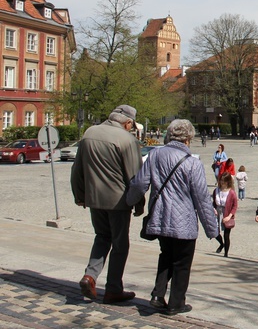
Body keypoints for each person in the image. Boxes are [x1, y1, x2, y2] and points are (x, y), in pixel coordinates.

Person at [126, 119, 218, 316]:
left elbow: (140, 183)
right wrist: (212, 229)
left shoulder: (155, 155)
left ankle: (158, 295)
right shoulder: (193, 163)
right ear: (188, 139)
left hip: (160, 218)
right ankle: (176, 303)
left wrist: (130, 201)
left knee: (166, 256)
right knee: (182, 263)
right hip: (183, 222)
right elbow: (201, 199)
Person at [70, 104, 143, 304]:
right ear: (128, 122)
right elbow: (136, 177)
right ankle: (113, 289)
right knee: (120, 245)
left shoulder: (89, 133)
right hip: (118, 201)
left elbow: (77, 169)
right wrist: (139, 203)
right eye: (131, 125)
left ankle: (90, 276)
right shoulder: (128, 140)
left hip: (94, 199)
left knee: (102, 237)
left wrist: (80, 195)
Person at [212, 172, 238, 257]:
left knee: (226, 234)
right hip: (217, 212)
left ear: (227, 181)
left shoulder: (231, 192)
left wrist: (230, 216)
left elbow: (235, 206)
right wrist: (213, 209)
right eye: (221, 180)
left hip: (227, 213)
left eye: (223, 181)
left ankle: (226, 253)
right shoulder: (216, 190)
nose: (222, 182)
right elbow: (213, 203)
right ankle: (221, 243)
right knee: (214, 231)